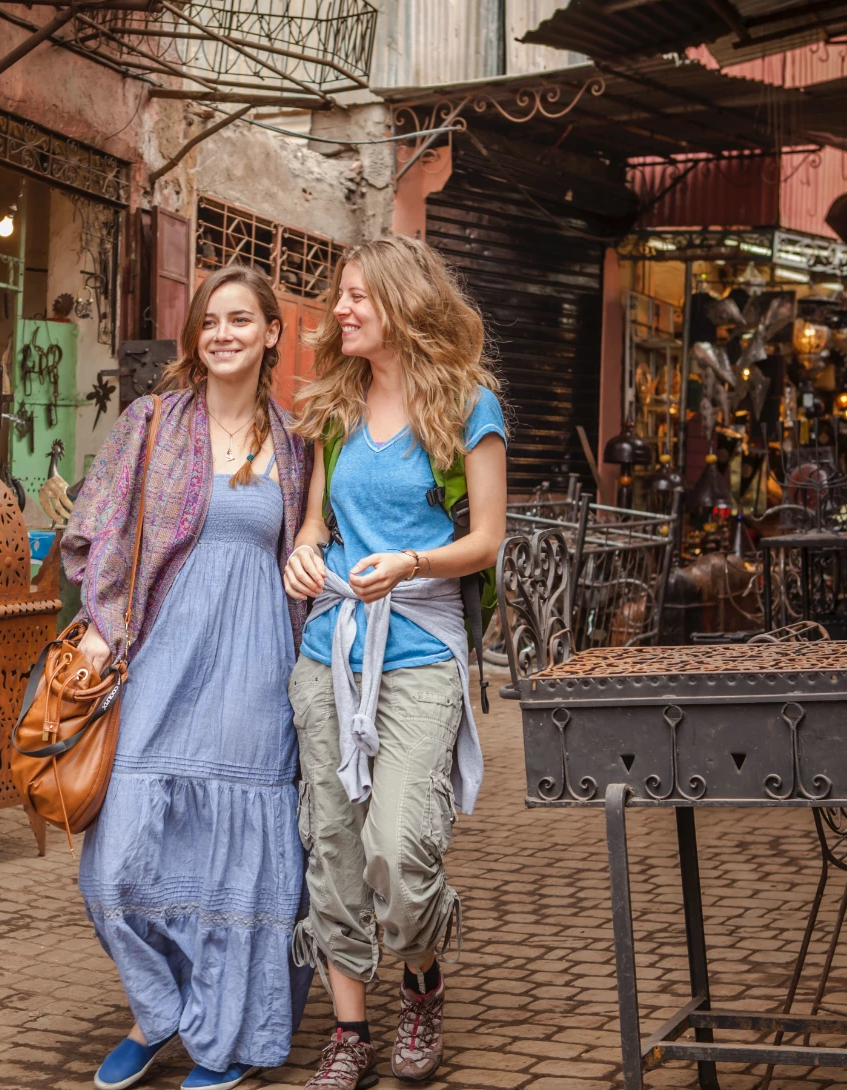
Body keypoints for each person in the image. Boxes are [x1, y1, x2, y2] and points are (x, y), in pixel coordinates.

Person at [62, 263, 312, 1090]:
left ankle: (222, 1034)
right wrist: (103, 631)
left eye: (241, 320)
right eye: (210, 321)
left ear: (272, 333)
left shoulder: (297, 444)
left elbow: (310, 553)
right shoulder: (151, 422)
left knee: (234, 861)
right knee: (115, 865)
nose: (223, 334)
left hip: (254, 669)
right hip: (161, 656)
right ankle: (157, 1011)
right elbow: (95, 525)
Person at [282, 235, 507, 1088]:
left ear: (404, 305)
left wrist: (411, 563)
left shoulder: (466, 405)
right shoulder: (335, 409)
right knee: (332, 843)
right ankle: (349, 1033)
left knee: (401, 852)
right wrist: (305, 554)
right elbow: (315, 524)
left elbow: (485, 541)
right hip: (328, 648)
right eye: (340, 295)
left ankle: (419, 981)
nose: (338, 310)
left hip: (418, 650)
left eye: (355, 297)